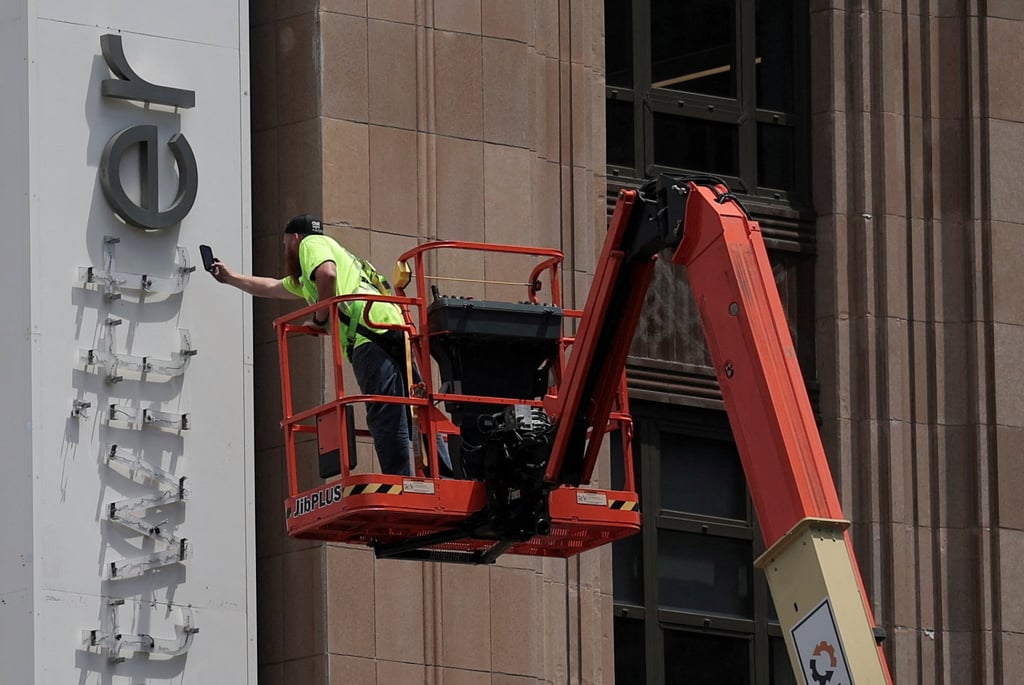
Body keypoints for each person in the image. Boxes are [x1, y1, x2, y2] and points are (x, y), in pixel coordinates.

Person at [209, 214, 450, 477]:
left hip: (368, 335)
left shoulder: (310, 244)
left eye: (285, 243)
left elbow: (327, 273)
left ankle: (400, 481)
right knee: (418, 408)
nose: (286, 250)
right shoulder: (313, 276)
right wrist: (231, 278)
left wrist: (319, 318)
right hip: (390, 328)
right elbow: (273, 287)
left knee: (385, 414)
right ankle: (446, 475)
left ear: (294, 238)